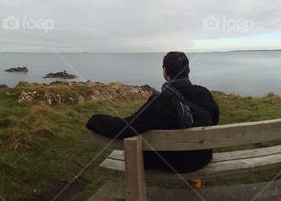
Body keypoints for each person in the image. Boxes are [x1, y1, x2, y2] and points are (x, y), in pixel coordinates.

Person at [85, 51, 220, 173]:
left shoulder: (160, 103)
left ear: (165, 71)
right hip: (202, 158)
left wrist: (95, 119)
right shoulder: (204, 93)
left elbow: (126, 128)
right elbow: (214, 120)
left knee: (143, 155)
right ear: (188, 71)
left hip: (175, 163)